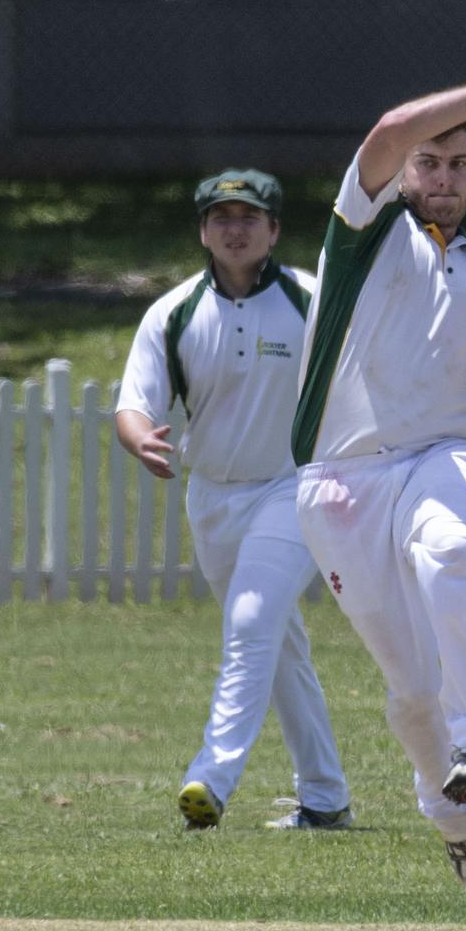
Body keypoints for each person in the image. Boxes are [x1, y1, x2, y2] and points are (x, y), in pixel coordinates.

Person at [291, 57, 466, 900]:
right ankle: (461, 824)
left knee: (452, 547)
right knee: (414, 694)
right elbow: (385, 131)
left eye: (458, 165)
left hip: (437, 458)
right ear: (410, 169)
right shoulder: (364, 228)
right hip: (338, 483)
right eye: (430, 162)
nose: (442, 178)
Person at [116, 168, 352, 832]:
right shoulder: (174, 312)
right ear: (202, 230)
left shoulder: (312, 299)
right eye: (222, 217)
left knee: (251, 622)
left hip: (292, 487)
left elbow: (364, 378)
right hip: (212, 497)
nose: (236, 228)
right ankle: (326, 798)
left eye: (250, 217)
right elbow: (135, 403)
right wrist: (141, 442)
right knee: (279, 648)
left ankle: (210, 780)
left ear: (275, 230)